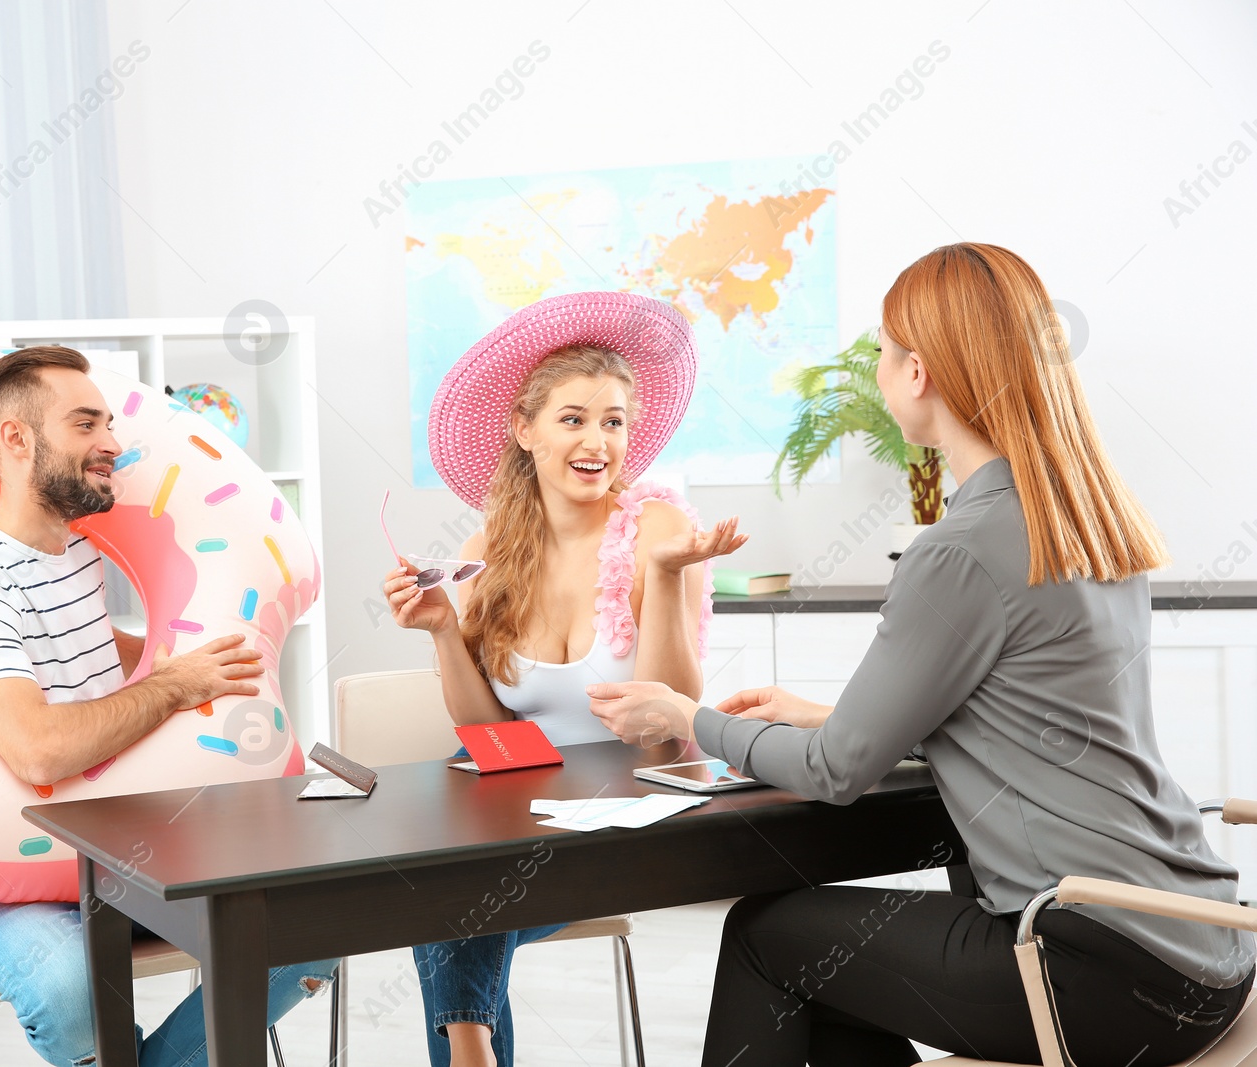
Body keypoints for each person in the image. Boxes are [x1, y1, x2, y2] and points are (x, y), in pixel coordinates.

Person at [587, 243, 1255, 1066]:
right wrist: (830, 715)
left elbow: (836, 772)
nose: (877, 369)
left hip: (1102, 970)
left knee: (766, 936)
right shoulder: (1085, 522)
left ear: (919, 373)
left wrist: (690, 716)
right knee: (832, 965)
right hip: (1209, 949)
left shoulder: (962, 548)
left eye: (881, 352)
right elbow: (1029, 713)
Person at [0, 346, 335, 1067]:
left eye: (109, 423)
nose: (112, 443)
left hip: (127, 848)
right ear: (17, 440)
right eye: (85, 425)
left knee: (316, 926)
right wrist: (173, 686)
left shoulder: (71, 554)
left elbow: (98, 650)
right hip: (11, 874)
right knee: (77, 989)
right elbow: (36, 748)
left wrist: (189, 653)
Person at [383, 291, 749, 1067]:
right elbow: (486, 733)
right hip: (518, 814)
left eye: (614, 420)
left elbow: (673, 723)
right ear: (526, 431)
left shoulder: (655, 527)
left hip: (633, 817)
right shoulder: (491, 544)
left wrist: (666, 576)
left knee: (456, 891)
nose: (597, 440)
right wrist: (445, 630)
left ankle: (468, 1048)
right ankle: (474, 1045)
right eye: (573, 418)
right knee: (450, 876)